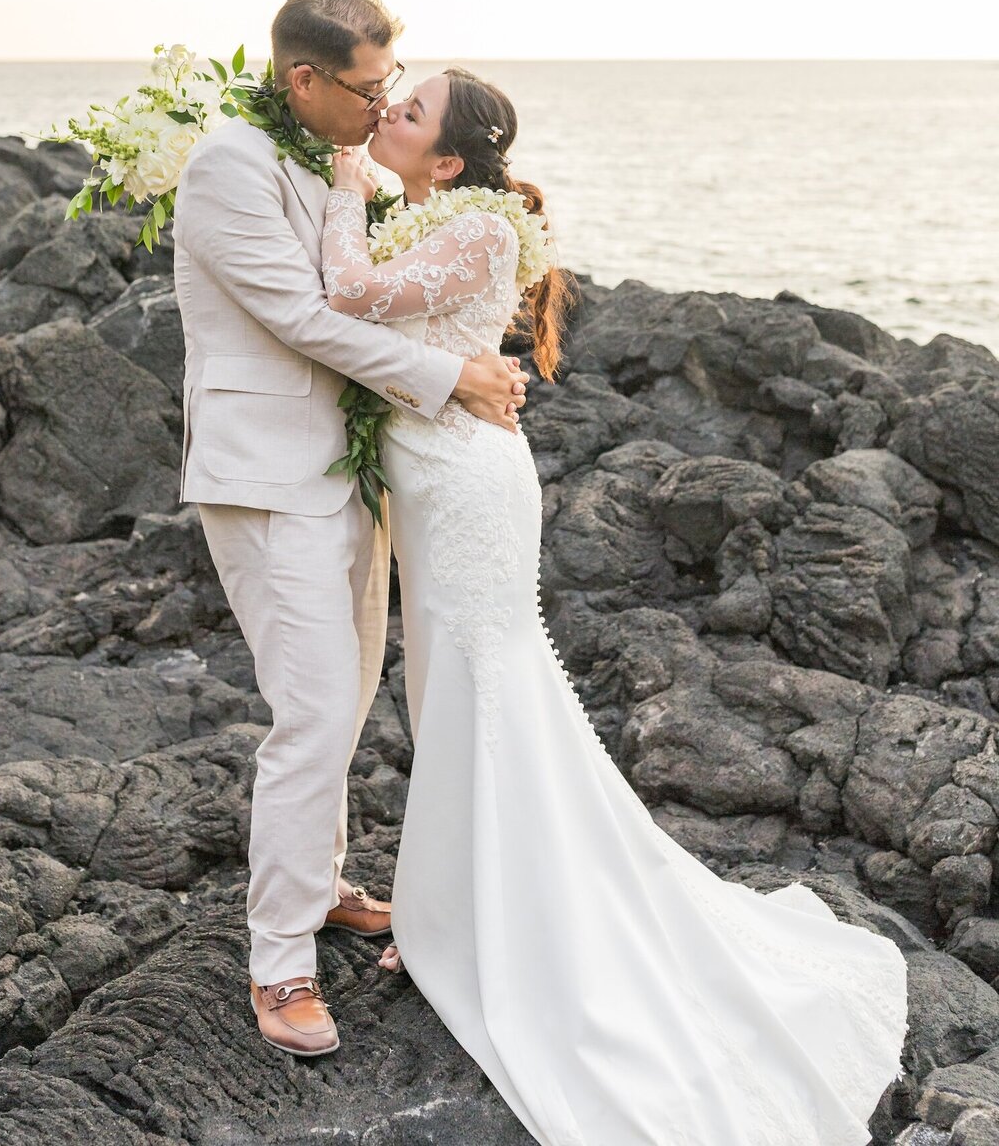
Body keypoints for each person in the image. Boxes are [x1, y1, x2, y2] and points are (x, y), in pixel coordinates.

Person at [319, 64, 910, 1146]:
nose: (387, 112)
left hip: (466, 486)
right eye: (393, 100)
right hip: (435, 479)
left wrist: (338, 187)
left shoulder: (479, 230)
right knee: (445, 688)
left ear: (446, 159)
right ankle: (456, 906)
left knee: (485, 687)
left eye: (409, 110)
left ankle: (498, 924)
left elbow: (351, 300)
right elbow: (389, 342)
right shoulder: (426, 218)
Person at [170, 0, 529, 1059]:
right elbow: (301, 316)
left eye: (393, 87)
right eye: (370, 89)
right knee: (317, 711)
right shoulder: (229, 166)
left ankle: (319, 884)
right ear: (304, 80)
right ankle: (279, 960)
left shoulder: (337, 160)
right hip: (268, 474)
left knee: (346, 693)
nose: (383, 106)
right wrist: (452, 378)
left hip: (355, 471)